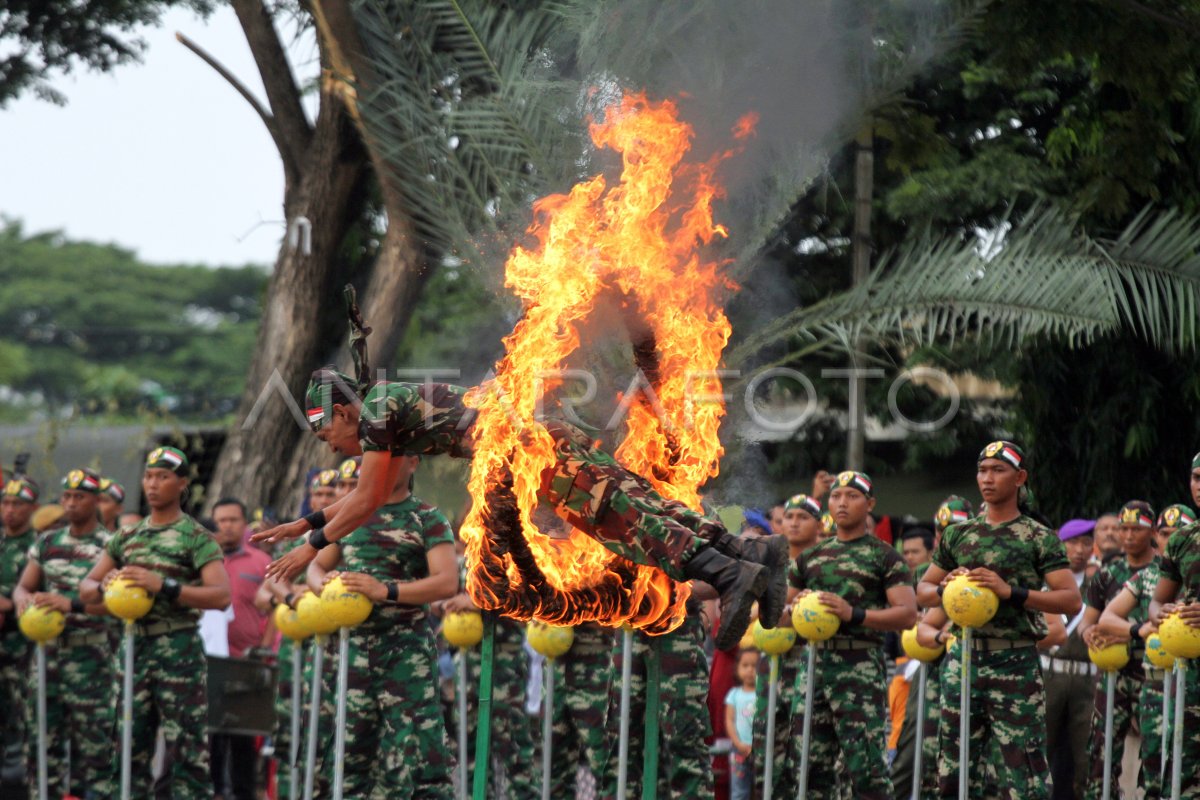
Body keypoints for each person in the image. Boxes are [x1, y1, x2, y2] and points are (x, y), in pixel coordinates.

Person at [256, 369, 787, 650]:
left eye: (327, 432)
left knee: (624, 521)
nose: (330, 446)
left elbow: (370, 495)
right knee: (643, 504)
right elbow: (370, 490)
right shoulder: (384, 408)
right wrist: (309, 522)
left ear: (344, 411)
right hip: (537, 444)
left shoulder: (376, 410)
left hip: (530, 452)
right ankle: (749, 551)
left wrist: (311, 549)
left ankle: (724, 572)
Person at [916, 441, 1081, 799]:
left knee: (1026, 774)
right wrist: (945, 587)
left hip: (1015, 662)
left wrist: (1013, 593)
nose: (987, 479)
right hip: (964, 660)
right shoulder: (960, 534)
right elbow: (923, 590)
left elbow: (1070, 599)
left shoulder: (1038, 537)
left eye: (998, 470)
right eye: (982, 471)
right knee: (954, 773)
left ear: (1020, 478)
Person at [80, 447, 232, 798]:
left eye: (162, 477)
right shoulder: (126, 537)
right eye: (149, 476)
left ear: (181, 484)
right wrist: (104, 585)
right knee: (127, 747)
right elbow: (86, 588)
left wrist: (165, 586)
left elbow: (221, 596)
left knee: (188, 752)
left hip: (178, 648)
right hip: (134, 648)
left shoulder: (195, 537)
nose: (152, 484)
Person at [307, 454, 458, 796]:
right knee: (347, 762)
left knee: (425, 763)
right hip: (354, 651)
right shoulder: (350, 515)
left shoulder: (428, 519)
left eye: (396, 459)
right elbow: (314, 568)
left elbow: (446, 582)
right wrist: (323, 583)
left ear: (413, 463)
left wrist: (386, 591)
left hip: (407, 653)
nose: (387, 467)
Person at [788, 470, 918, 800]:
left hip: (860, 666)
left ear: (870, 504)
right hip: (815, 665)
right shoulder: (809, 558)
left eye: (852, 496)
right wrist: (795, 610)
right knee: (808, 767)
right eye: (835, 496)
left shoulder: (885, 556)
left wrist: (853, 614)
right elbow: (775, 616)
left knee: (866, 770)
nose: (842, 502)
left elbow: (906, 614)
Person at [12, 469, 116, 798]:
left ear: (97, 501)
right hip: (47, 657)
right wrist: (24, 602)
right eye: (66, 497)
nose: (71, 503)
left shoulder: (112, 545)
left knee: (96, 749)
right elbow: (22, 587)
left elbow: (119, 606)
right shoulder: (47, 542)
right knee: (41, 744)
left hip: (92, 658)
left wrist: (69, 605)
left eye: (80, 497)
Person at [1093, 503, 1193, 800]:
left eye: (1179, 533)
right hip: (1155, 684)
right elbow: (1107, 618)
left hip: (1191, 683)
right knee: (1153, 771)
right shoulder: (1150, 576)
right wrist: (1141, 629)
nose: (1171, 540)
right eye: (1164, 534)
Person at [1078, 501, 1159, 800]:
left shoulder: (1164, 572)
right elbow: (1087, 623)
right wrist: (1091, 634)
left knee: (1155, 752)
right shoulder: (1107, 574)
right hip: (1112, 674)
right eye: (1123, 528)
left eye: (1136, 529)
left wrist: (1126, 633)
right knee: (1101, 751)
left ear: (1151, 531)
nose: (1127, 535)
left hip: (1152, 673)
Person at [754, 492, 822, 799]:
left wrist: (792, 613)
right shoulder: (771, 563)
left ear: (819, 525)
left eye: (802, 517)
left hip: (807, 663)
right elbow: (755, 610)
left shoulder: (823, 563)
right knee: (766, 746)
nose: (793, 523)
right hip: (769, 665)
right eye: (788, 517)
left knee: (804, 748)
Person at [210, 497, 271, 800]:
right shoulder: (202, 561)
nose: (227, 526)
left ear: (244, 523)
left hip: (247, 662)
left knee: (243, 740)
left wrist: (264, 648)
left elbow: (272, 609)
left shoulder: (261, 562)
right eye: (221, 520)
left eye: (233, 520)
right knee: (210, 739)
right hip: (207, 662)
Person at [1148, 452, 1200, 797]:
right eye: (1197, 478)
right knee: (1183, 774)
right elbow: (1157, 601)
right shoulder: (1182, 540)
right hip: (1191, 674)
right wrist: (1162, 615)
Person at [1043, 518, 1098, 800]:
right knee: (1039, 752)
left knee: (1085, 756)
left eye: (1086, 543)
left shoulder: (1100, 582)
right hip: (1049, 674)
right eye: (1072, 542)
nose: (1079, 549)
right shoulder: (1044, 581)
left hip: (1087, 678)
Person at [0, 476, 39, 788]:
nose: (10, 510)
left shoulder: (38, 549)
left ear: (33, 508)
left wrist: (8, 606)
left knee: (20, 725)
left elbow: (44, 602)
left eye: (18, 504)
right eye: (6, 503)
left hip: (20, 651)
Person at [725, 649, 758, 800]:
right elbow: (729, 720)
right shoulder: (734, 694)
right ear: (737, 668)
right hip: (739, 750)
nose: (750, 670)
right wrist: (738, 743)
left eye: (755, 665)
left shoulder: (764, 694)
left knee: (762, 789)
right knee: (739, 790)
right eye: (745, 665)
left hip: (760, 750)